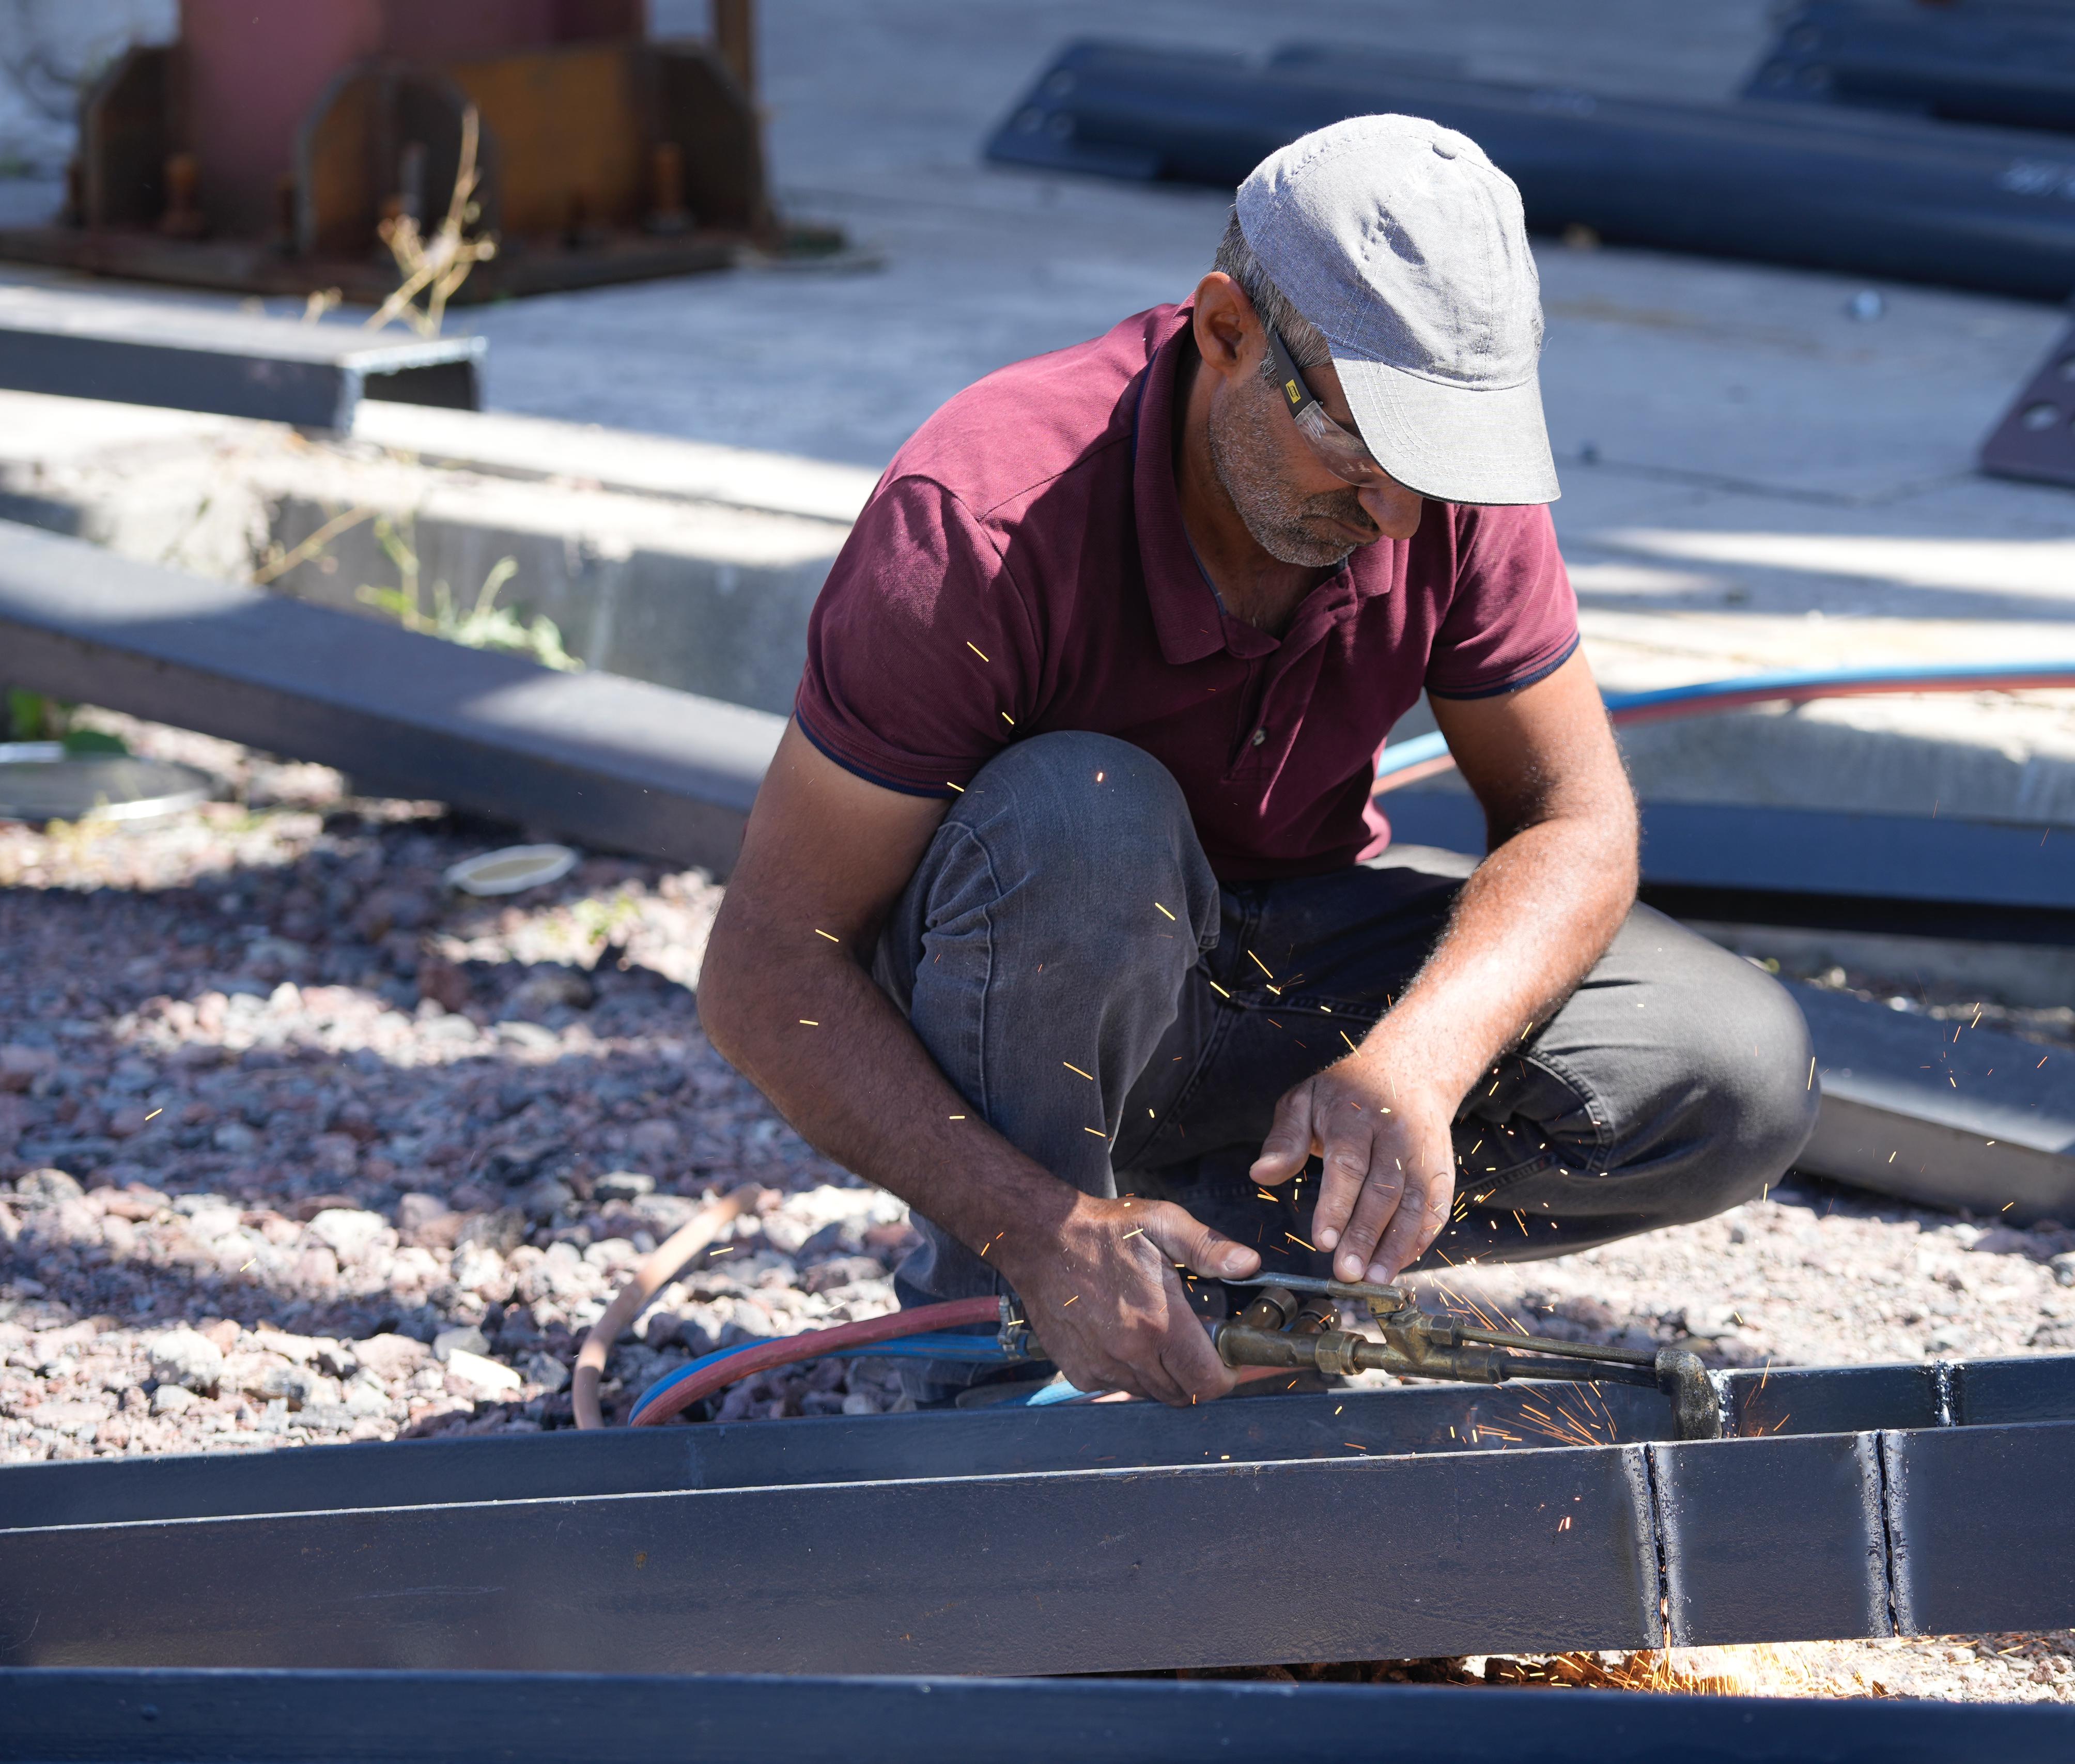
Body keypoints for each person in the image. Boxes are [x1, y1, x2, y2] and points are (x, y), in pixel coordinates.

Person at [698, 115, 1816, 1409]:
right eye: (1362, 447)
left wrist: (1417, 1063)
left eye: (1441, 467)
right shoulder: (985, 522)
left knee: (1732, 1063)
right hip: (1034, 979)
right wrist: (1028, 1223)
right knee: (1082, 815)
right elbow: (766, 964)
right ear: (1225, 331)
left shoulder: (1445, 495)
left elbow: (1575, 820)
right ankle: (1022, 1323)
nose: (1400, 512)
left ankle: (1238, 1287)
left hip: (1271, 975)